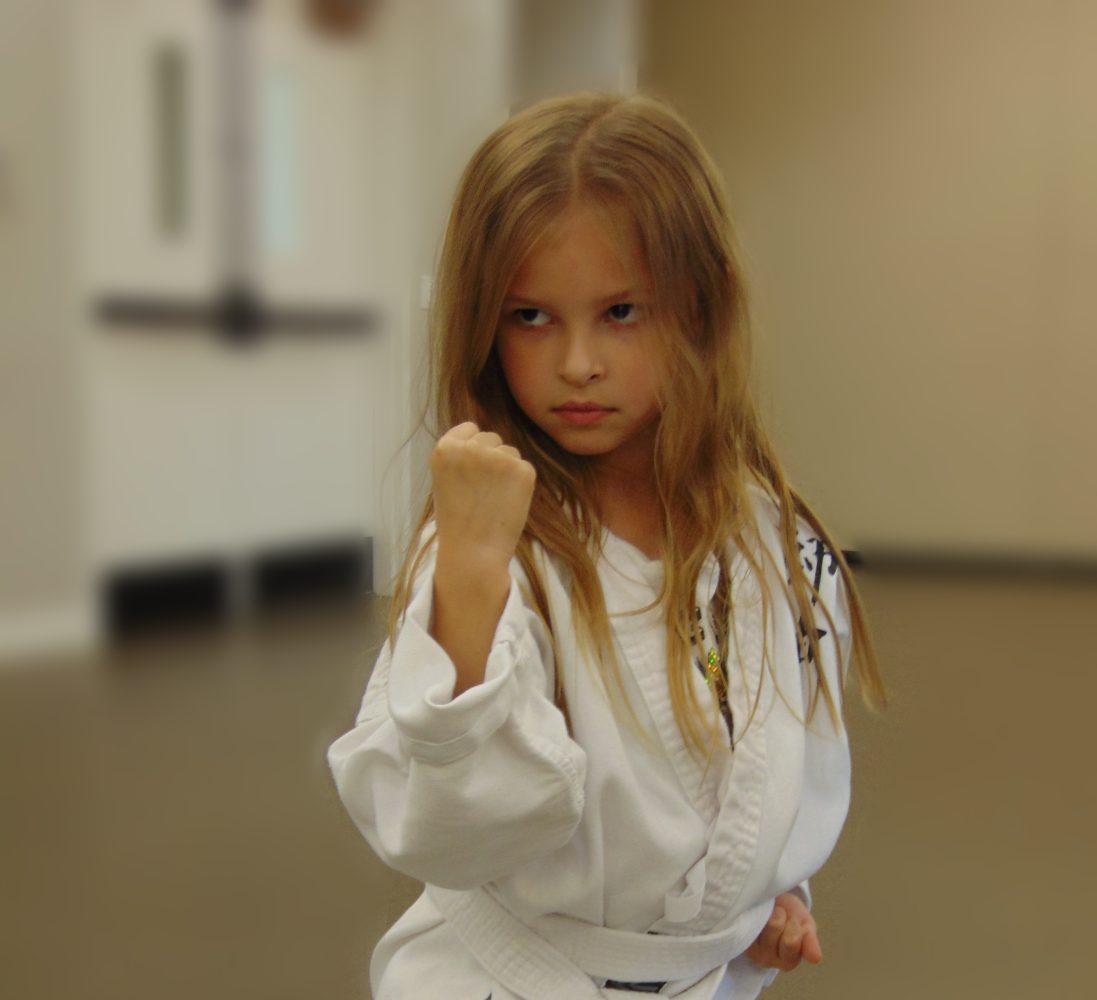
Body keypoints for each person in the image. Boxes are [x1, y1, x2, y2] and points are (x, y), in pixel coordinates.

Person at [328, 91, 885, 1000]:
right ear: (480, 321)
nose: (577, 363)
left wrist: (764, 888)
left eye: (621, 311)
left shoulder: (768, 537)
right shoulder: (498, 546)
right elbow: (449, 832)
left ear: (701, 304)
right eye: (530, 317)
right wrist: (470, 577)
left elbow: (780, 749)